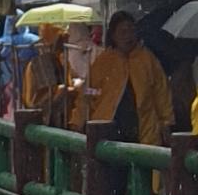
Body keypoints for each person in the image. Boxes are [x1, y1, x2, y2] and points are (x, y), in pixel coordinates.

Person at [72, 9, 172, 149]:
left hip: (144, 129)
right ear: (113, 35)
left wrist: (166, 123)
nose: (128, 37)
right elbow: (87, 93)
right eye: (123, 32)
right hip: (108, 127)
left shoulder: (148, 60)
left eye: (131, 31)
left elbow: (161, 93)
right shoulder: (104, 62)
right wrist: (77, 121)